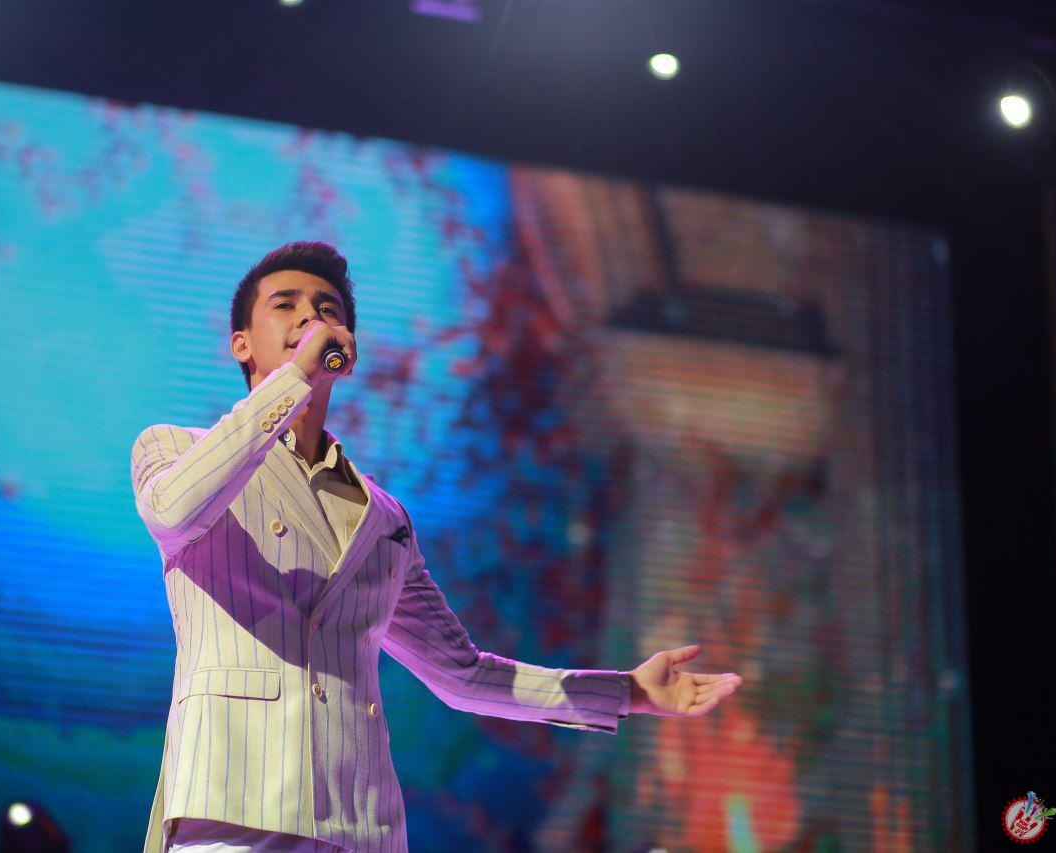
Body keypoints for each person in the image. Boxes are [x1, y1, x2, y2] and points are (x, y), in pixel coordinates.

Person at [130, 241, 744, 852]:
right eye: (285, 305)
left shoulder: (384, 518)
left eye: (327, 308)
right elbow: (175, 511)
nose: (310, 316)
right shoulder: (176, 448)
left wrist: (628, 692)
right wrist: (292, 381)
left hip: (361, 824)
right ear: (241, 343)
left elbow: (462, 673)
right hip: (236, 802)